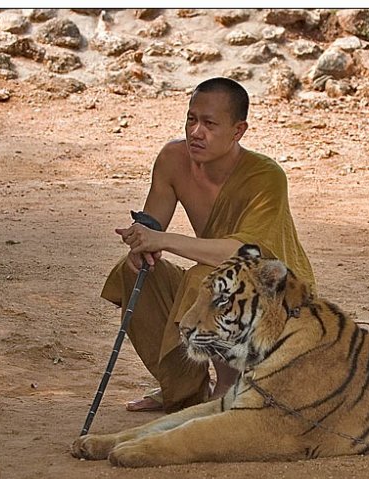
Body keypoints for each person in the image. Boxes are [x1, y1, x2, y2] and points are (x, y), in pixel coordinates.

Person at [101, 77, 315, 413]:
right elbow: (153, 222)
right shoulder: (173, 159)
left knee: (206, 277)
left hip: (275, 297)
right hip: (222, 281)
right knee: (136, 272)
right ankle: (181, 389)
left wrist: (164, 241)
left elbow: (244, 253)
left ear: (238, 131)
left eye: (210, 124)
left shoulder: (266, 176)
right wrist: (141, 241)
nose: (196, 132)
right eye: (191, 119)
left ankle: (229, 386)